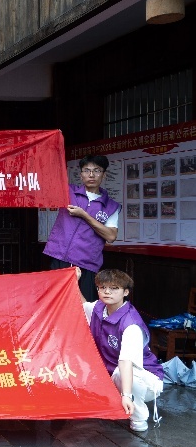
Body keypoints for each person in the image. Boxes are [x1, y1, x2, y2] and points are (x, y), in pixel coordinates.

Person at [81, 268, 163, 432]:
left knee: (121, 373)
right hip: (113, 372)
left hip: (143, 377)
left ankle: (138, 417)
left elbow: (126, 362)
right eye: (103, 287)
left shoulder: (131, 324)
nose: (107, 292)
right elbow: (80, 305)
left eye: (114, 288)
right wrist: (73, 281)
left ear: (125, 292)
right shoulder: (99, 308)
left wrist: (126, 395)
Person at [45, 155, 120, 301]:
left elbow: (111, 236)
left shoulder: (111, 206)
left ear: (104, 175)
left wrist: (84, 215)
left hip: (87, 264)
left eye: (97, 170)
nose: (91, 175)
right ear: (81, 175)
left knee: (84, 306)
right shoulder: (68, 192)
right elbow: (47, 182)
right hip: (60, 257)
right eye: (86, 170)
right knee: (56, 303)